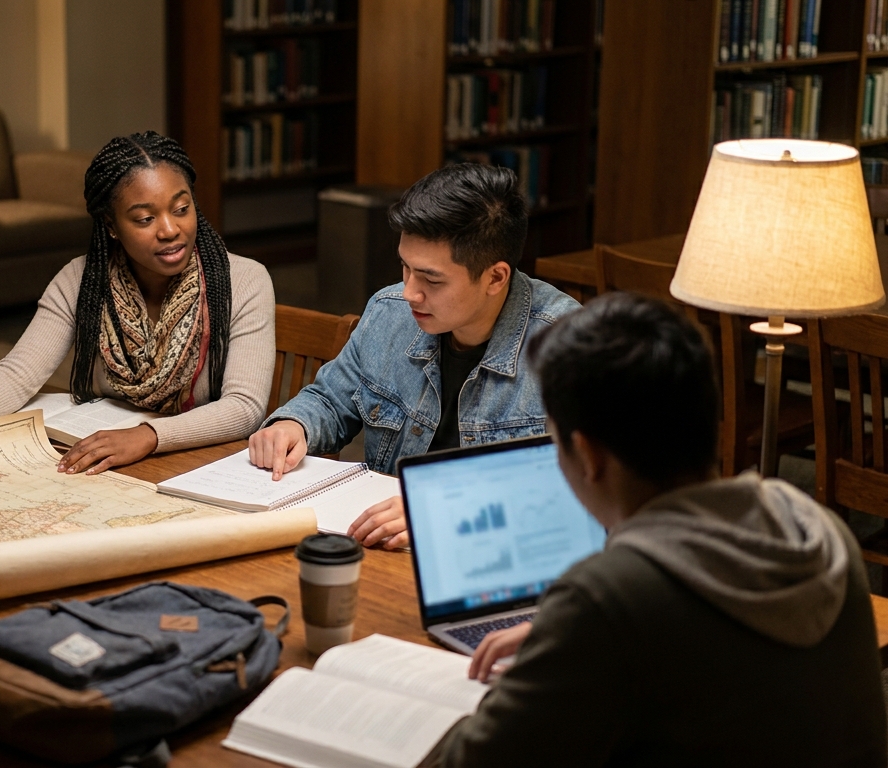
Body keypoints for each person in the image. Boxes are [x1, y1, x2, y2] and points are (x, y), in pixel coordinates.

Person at [426, 293, 886, 766]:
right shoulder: (819, 530)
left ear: (588, 455)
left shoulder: (607, 597)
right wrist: (564, 642)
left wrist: (571, 642)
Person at [0, 132, 275, 472]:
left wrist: (147, 436)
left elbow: (244, 407)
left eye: (181, 209)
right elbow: (18, 374)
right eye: (145, 219)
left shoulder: (244, 281)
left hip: (199, 464)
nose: (170, 229)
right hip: (108, 461)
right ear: (111, 226)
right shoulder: (81, 280)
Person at [248, 163, 579, 548]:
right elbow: (330, 399)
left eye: (431, 279)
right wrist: (294, 425)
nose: (409, 292)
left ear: (495, 277)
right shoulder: (390, 312)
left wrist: (446, 507)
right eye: (405, 268)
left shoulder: (568, 348)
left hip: (496, 551)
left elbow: (582, 488)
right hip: (386, 546)